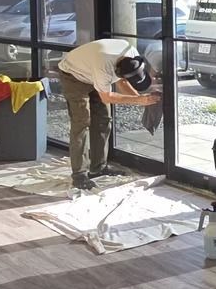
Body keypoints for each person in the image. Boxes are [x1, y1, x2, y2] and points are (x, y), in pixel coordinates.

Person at [55, 37, 159, 190]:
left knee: (104, 120)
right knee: (82, 122)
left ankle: (98, 168)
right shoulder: (104, 66)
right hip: (73, 75)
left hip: (93, 71)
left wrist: (140, 99)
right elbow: (107, 96)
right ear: (116, 71)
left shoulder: (130, 53)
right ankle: (79, 175)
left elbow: (122, 81)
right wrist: (139, 101)